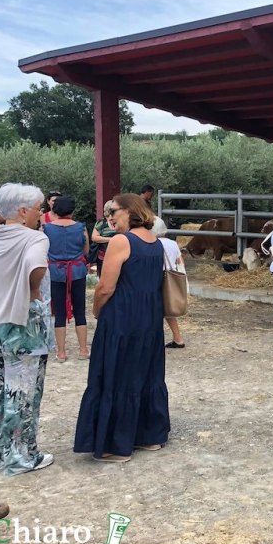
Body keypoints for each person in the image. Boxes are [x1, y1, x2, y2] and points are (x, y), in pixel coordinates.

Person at [74, 194, 170, 463]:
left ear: (130, 210)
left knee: (115, 372)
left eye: (113, 211)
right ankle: (148, 435)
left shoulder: (121, 241)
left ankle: (114, 445)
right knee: (145, 370)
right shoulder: (155, 242)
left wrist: (96, 310)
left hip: (122, 316)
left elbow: (105, 287)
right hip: (149, 316)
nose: (109, 217)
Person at [0, 183, 54, 475]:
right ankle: (22, 456)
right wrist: (33, 289)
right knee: (23, 391)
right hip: (22, 323)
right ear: (23, 211)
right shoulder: (35, 239)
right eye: (39, 208)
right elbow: (37, 267)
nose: (41, 213)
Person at [43, 196, 90, 361]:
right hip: (77, 271)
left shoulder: (46, 229)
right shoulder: (81, 227)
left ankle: (61, 352)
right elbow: (86, 251)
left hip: (55, 272)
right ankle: (83, 350)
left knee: (59, 312)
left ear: (55, 210)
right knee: (80, 311)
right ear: (72, 210)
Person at [152, 217, 186, 349]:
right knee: (168, 311)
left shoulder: (153, 243)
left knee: (154, 309)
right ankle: (178, 338)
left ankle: (154, 340)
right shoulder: (173, 243)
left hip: (157, 277)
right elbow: (180, 261)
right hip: (171, 277)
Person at [91, 200, 117, 276]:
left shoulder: (121, 221)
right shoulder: (102, 222)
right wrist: (110, 239)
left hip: (118, 255)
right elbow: (94, 237)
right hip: (103, 257)